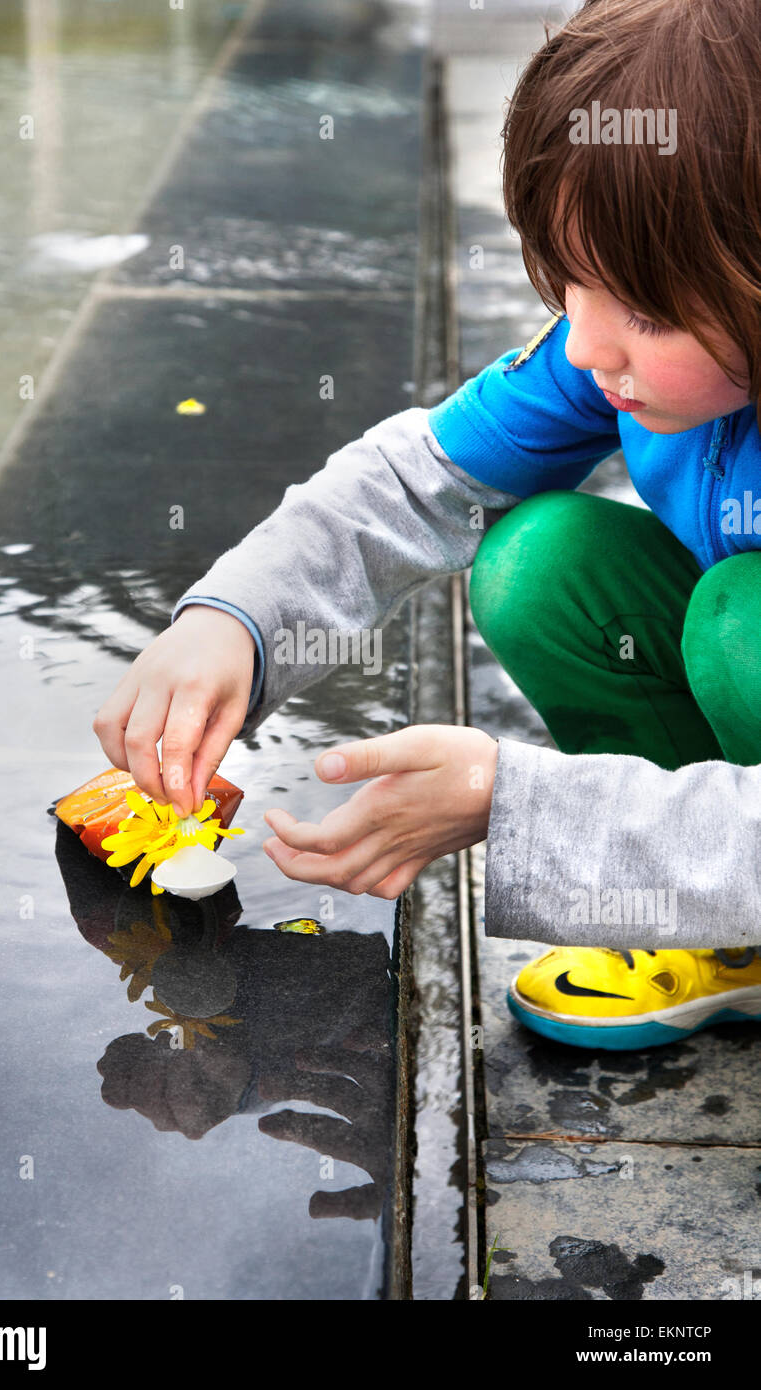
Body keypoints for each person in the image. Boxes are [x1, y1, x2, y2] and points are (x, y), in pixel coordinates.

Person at [94, 0, 761, 1051]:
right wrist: (233, 618)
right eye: (566, 279)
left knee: (739, 617)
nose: (583, 347)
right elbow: (414, 479)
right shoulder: (609, 357)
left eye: (639, 306)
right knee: (540, 561)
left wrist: (519, 802)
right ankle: (712, 925)